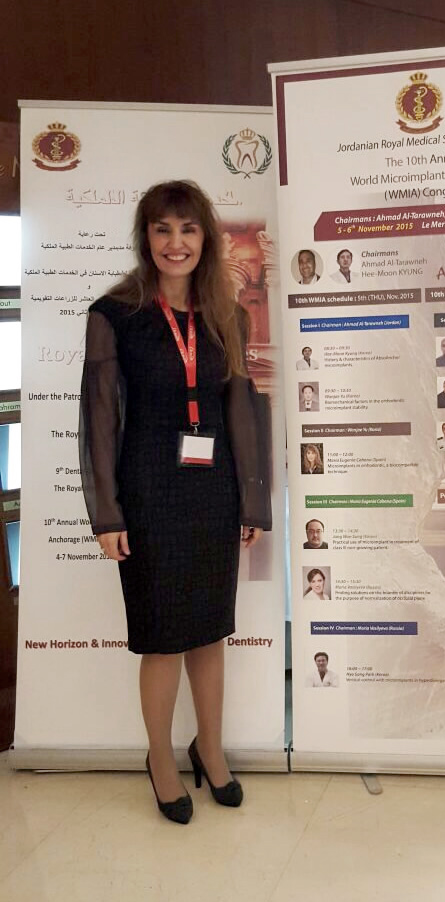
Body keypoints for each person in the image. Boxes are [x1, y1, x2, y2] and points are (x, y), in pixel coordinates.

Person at [79, 180, 271, 824]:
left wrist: (251, 501)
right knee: (162, 638)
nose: (176, 242)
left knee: (210, 631)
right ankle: (160, 757)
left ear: (205, 238)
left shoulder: (228, 316)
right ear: (146, 237)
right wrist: (107, 512)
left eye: (187, 229)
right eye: (162, 229)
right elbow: (99, 419)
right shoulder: (114, 314)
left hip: (212, 492)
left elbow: (240, 409)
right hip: (147, 494)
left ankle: (208, 748)